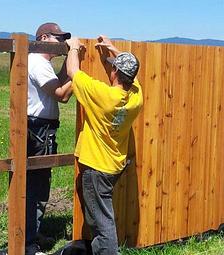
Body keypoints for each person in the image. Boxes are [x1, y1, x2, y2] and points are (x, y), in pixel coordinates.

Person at [65, 35, 143, 254]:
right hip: (113, 166)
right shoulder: (136, 98)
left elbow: (73, 72)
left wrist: (73, 48)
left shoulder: (103, 95)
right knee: (96, 215)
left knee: (102, 223)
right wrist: (112, 49)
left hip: (97, 169)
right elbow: (133, 73)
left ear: (115, 73)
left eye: (113, 68)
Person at [26, 22, 73, 255]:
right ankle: (28, 245)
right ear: (44, 37)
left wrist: (69, 64)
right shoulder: (38, 63)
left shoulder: (38, 62)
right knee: (37, 185)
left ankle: (31, 235)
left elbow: (59, 83)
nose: (63, 43)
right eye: (59, 38)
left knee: (36, 182)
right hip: (39, 129)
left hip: (39, 128)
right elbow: (62, 94)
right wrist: (79, 69)